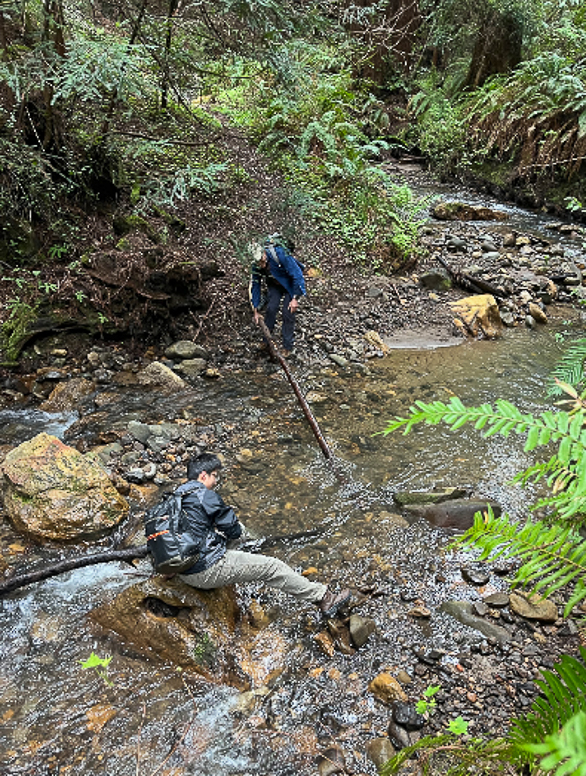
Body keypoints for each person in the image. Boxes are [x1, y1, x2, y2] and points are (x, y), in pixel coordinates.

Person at [177, 453, 350, 617]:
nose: (216, 482)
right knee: (272, 567)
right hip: (203, 571)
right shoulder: (204, 495)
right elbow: (233, 530)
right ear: (203, 476)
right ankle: (324, 598)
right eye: (214, 476)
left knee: (220, 533)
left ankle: (253, 548)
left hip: (180, 571)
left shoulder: (172, 498)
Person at [249, 233, 306, 357]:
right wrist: (255, 308)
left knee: (288, 312)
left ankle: (287, 346)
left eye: (262, 261)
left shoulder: (280, 254)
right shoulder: (256, 265)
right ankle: (266, 340)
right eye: (258, 263)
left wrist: (295, 298)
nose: (260, 265)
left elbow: (298, 276)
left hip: (290, 283)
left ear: (264, 253)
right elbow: (256, 285)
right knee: (271, 308)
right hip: (274, 284)